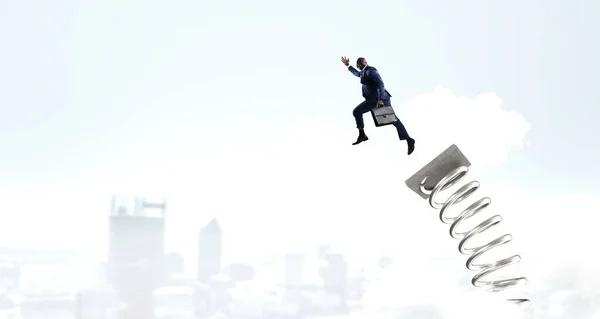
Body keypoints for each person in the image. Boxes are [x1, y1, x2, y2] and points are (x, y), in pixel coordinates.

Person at [341, 56, 415, 155]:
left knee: (393, 119)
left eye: (361, 63)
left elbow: (380, 84)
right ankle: (362, 135)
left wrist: (380, 99)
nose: (359, 65)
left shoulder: (371, 71)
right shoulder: (363, 72)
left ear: (365, 62)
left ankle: (409, 140)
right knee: (357, 112)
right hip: (372, 100)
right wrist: (348, 66)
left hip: (381, 99)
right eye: (358, 64)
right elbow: (357, 74)